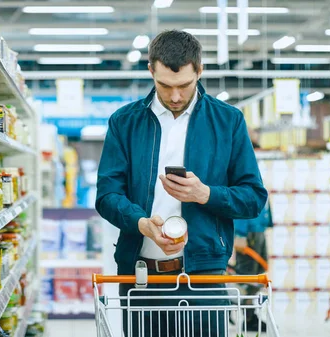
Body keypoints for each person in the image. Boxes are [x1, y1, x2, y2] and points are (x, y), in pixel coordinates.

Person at [95, 30, 268, 337]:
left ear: (199, 71)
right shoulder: (124, 122)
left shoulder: (228, 121)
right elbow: (107, 195)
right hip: (140, 278)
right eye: (164, 85)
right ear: (151, 70)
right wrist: (142, 223)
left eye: (185, 86)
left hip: (203, 277)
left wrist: (207, 194)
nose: (175, 96)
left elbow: (253, 197)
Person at [233, 132, 273, 331]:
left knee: (257, 273)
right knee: (246, 275)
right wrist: (239, 235)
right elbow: (240, 199)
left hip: (257, 229)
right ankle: (247, 317)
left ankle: (252, 313)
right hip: (247, 230)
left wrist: (268, 222)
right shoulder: (239, 164)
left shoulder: (255, 167)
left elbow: (261, 194)